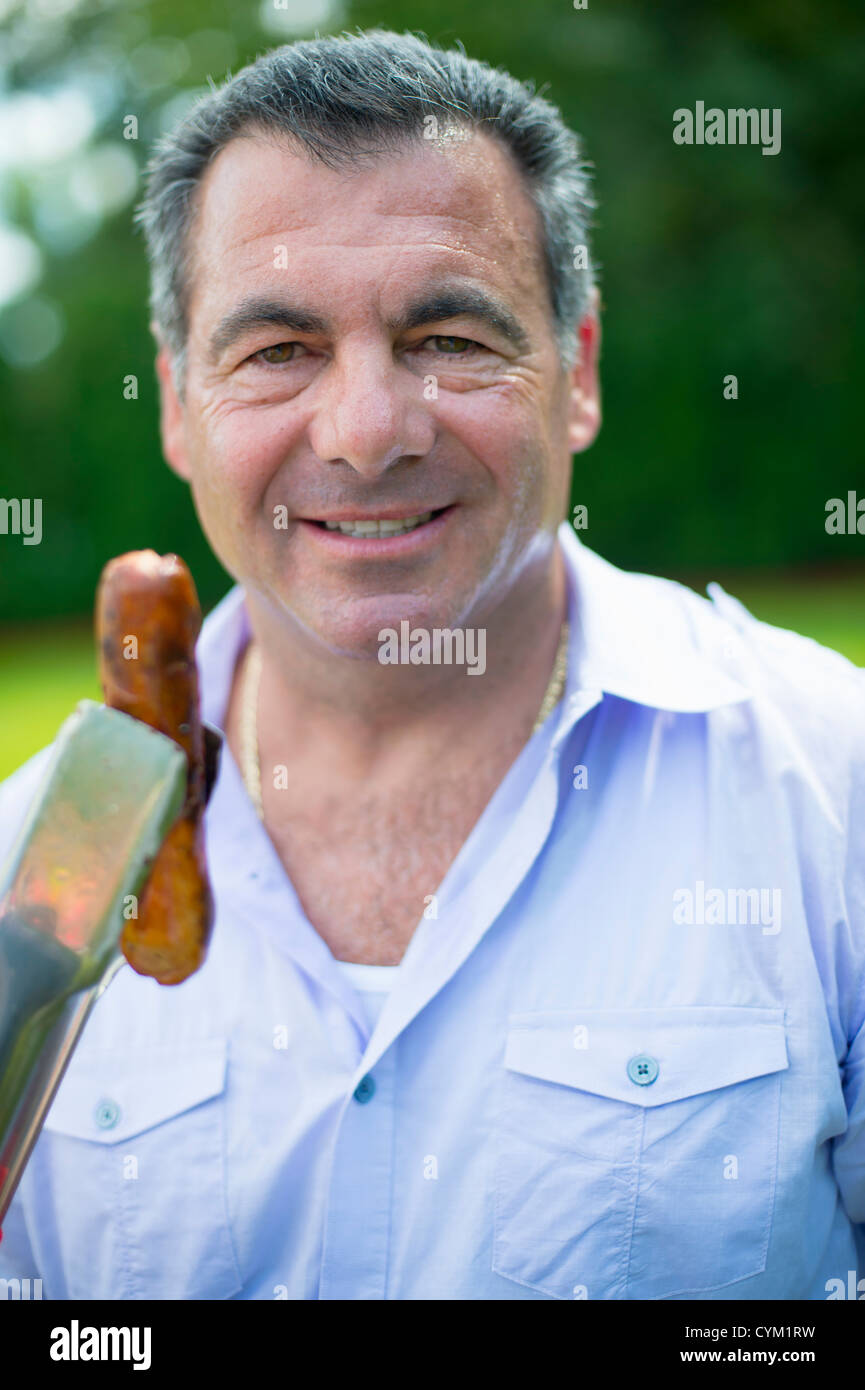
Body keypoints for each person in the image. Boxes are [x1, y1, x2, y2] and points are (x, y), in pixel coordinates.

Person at [0, 28, 862, 1302]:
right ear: (180, 404)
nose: (363, 435)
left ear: (575, 370)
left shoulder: (833, 791)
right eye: (277, 349)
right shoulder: (32, 870)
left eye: (449, 337)